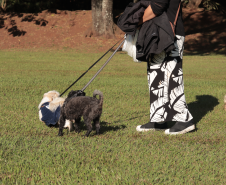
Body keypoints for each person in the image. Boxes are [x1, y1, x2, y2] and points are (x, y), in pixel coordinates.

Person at [134, 0, 195, 135]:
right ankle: (159, 118)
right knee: (156, 76)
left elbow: (157, 5)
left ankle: (184, 119)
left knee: (172, 75)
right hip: (157, 32)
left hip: (170, 34)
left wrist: (135, 21)